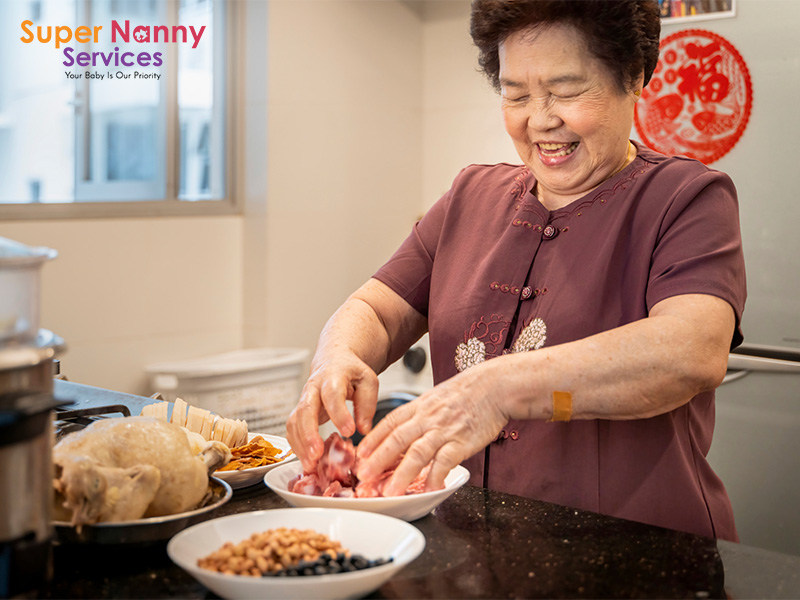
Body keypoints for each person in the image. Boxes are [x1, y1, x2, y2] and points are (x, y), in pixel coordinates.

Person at [286, 0, 746, 542]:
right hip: (474, 554)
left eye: (567, 91)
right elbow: (377, 310)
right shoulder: (469, 196)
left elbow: (693, 351)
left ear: (635, 77)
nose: (540, 119)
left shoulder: (686, 198)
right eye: (516, 94)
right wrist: (335, 358)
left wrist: (498, 388)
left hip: (641, 554)